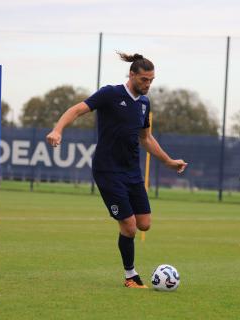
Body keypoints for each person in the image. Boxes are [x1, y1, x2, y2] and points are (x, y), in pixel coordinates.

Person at [46, 52, 188, 288]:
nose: (148, 84)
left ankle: (121, 214)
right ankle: (130, 276)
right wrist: (58, 130)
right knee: (130, 226)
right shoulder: (111, 93)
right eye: (144, 79)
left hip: (132, 171)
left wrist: (168, 161)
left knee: (144, 224)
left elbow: (147, 138)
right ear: (131, 74)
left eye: (151, 80)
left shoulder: (144, 103)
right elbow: (76, 110)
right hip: (107, 170)